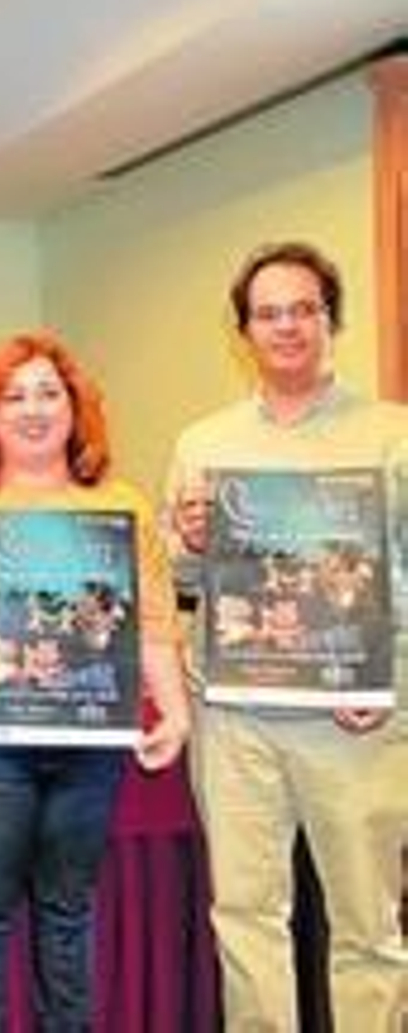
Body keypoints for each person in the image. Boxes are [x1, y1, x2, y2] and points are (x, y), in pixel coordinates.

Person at [0, 331, 191, 1030]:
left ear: (74, 406)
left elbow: (153, 623)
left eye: (48, 393)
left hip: (88, 732)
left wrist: (175, 711)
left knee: (68, 908)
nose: (33, 410)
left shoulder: (120, 505)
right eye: (13, 396)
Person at [164, 241, 408, 1029]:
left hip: (354, 720)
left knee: (368, 925)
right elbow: (180, 578)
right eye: (268, 314)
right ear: (244, 332)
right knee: (244, 917)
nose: (287, 327)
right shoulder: (203, 442)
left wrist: (393, 684)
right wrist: (190, 542)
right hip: (235, 721)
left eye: (304, 309)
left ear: (331, 320)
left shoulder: (392, 436)